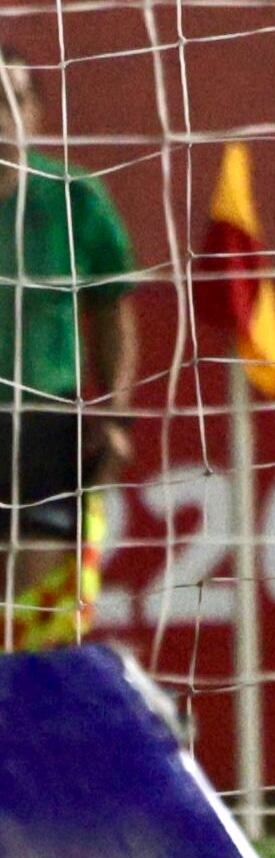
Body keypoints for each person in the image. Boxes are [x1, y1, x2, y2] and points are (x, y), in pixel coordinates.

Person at [0, 51, 137, 653]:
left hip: (47, 424)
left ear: (34, 113)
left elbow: (112, 313)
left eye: (12, 102)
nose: (0, 119)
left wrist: (116, 414)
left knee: (36, 621)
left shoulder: (75, 198)